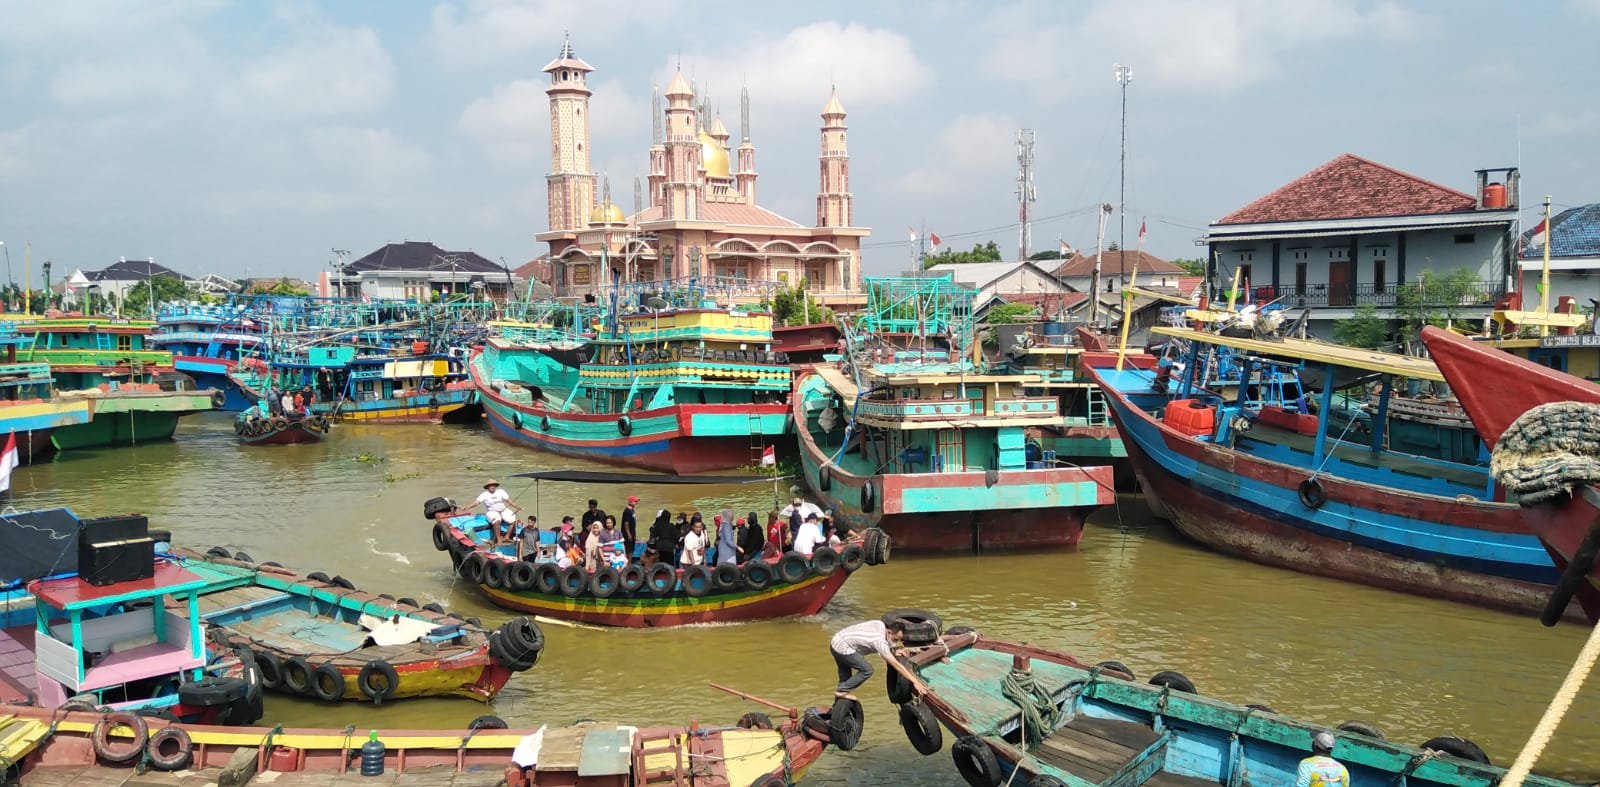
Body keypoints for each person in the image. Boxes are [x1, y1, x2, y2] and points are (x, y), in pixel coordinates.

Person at [829, 618, 906, 700]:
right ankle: (841, 691)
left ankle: (838, 702)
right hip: (843, 648)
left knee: (845, 679)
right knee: (867, 670)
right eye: (895, 640)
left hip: (835, 642)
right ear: (889, 632)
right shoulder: (879, 641)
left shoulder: (879, 624)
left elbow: (881, 644)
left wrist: (892, 652)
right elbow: (896, 665)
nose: (895, 643)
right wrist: (915, 682)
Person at [465, 481, 521, 545]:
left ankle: (507, 537)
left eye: (494, 485)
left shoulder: (501, 491)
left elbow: (508, 500)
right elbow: (476, 503)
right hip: (491, 511)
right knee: (497, 521)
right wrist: (468, 507)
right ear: (488, 487)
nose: (492, 487)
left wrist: (516, 506)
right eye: (490, 485)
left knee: (515, 520)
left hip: (503, 510)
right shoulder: (484, 494)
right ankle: (499, 540)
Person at [620, 495, 639, 560]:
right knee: (628, 549)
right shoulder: (627, 511)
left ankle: (629, 562)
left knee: (631, 549)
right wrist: (628, 534)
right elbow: (626, 523)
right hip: (627, 534)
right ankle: (627, 562)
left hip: (632, 532)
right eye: (635, 501)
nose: (636, 503)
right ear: (630, 502)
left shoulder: (632, 510)